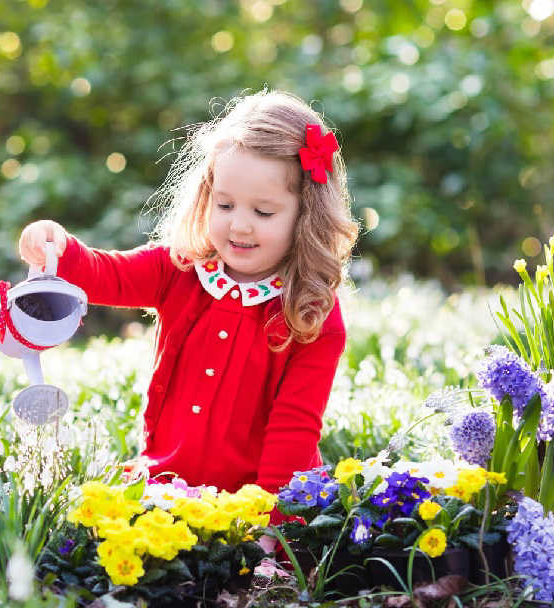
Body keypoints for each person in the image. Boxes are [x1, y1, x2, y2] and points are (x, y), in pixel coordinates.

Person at [18, 90, 359, 513]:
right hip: (167, 487)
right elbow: (108, 275)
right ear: (207, 196)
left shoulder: (311, 313)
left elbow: (294, 430)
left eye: (264, 212)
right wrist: (60, 249)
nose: (239, 225)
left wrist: (270, 526)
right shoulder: (180, 270)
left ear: (307, 215)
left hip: (260, 501)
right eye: (226, 204)